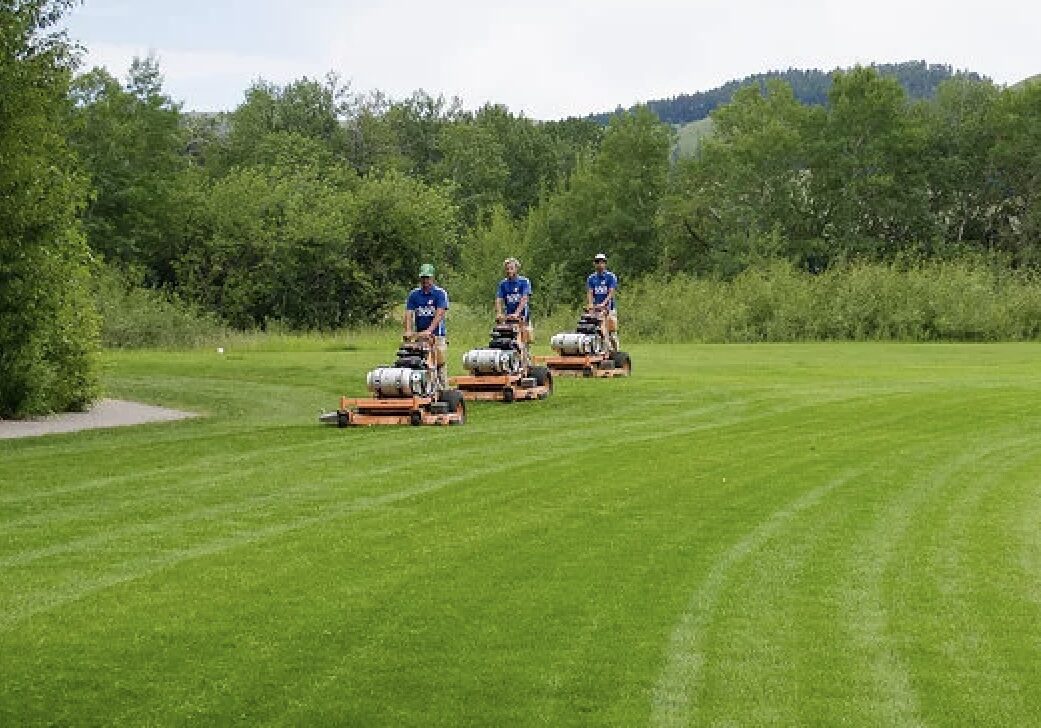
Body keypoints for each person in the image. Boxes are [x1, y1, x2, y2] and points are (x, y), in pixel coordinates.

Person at [404, 263, 449, 389]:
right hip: (420, 336)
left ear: (432, 278)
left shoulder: (440, 294)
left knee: (439, 364)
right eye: (423, 278)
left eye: (427, 278)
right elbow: (408, 314)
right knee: (418, 362)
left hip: (437, 336)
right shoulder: (414, 295)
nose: (425, 281)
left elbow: (439, 314)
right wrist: (408, 331)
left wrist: (429, 330)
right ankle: (421, 388)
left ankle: (444, 390)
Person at [495, 257, 533, 366]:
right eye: (507, 269)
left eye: (511, 268)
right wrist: (499, 313)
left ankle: (525, 363)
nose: (509, 271)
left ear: (516, 269)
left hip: (522, 317)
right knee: (506, 339)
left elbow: (524, 298)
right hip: (509, 317)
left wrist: (517, 313)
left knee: (522, 341)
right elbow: (499, 299)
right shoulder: (503, 284)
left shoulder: (524, 282)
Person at [586, 252, 619, 353]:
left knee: (612, 333)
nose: (599, 264)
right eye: (597, 262)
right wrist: (590, 304)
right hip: (597, 309)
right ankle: (604, 350)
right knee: (599, 331)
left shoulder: (610, 277)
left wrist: (604, 303)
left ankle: (617, 352)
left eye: (601, 262)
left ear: (605, 263)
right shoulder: (591, 278)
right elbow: (590, 292)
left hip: (609, 308)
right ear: (594, 264)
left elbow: (611, 292)